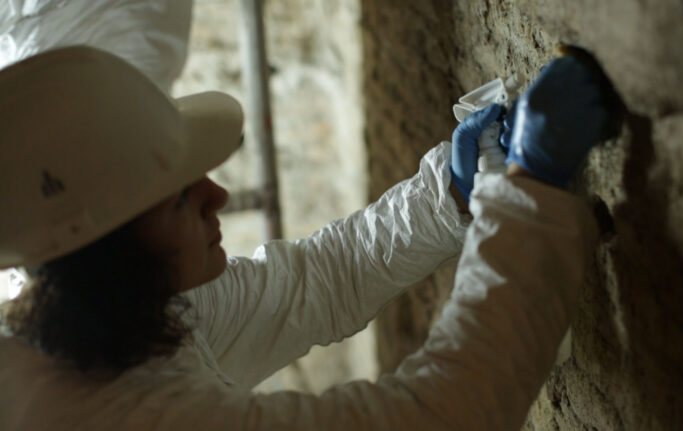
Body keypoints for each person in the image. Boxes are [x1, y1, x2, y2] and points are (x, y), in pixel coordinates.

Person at [0, 45, 609, 430]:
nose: (217, 196)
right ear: (112, 248)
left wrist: (444, 196)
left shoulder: (103, 322)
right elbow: (446, 413)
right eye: (181, 196)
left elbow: (310, 286)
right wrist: (528, 193)